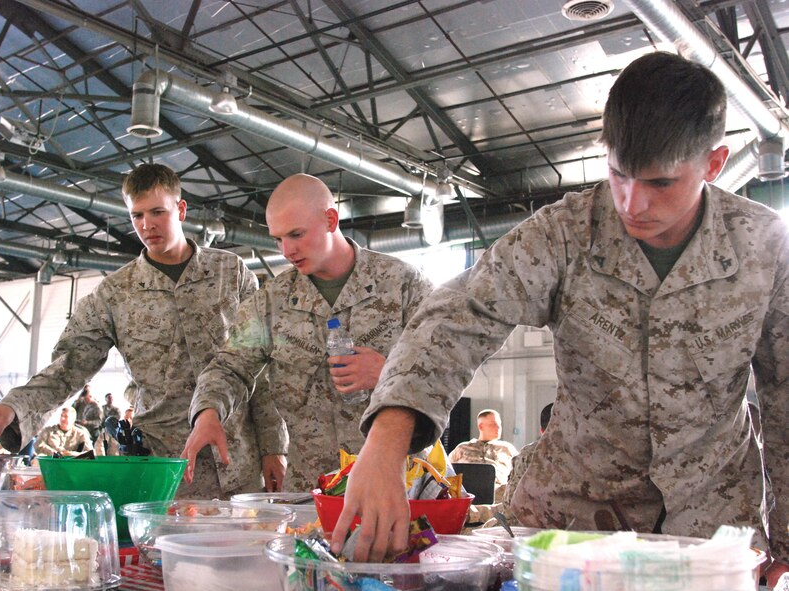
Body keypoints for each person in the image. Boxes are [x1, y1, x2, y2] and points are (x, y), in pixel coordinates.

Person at [331, 51, 789, 584]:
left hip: (711, 530)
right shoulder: (565, 233)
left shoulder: (764, 247)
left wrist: (787, 538)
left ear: (713, 164)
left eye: (660, 183)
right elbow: (462, 312)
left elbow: (786, 395)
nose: (631, 203)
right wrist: (387, 440)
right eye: (618, 173)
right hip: (573, 520)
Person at [0, 163, 287, 498]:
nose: (147, 225)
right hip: (167, 470)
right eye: (137, 216)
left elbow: (261, 366)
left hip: (240, 459)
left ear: (180, 210)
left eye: (157, 212)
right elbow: (68, 366)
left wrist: (274, 446)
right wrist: (14, 407)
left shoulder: (231, 273)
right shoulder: (115, 293)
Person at [181, 173, 433, 491]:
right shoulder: (271, 303)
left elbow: (446, 369)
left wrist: (388, 372)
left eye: (296, 234)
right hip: (310, 489)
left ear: (330, 219)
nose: (287, 250)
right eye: (277, 239)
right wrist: (208, 411)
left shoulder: (403, 285)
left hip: (396, 481)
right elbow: (228, 367)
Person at [448, 409, 518, 489]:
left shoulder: (507, 449)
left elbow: (521, 471)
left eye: (499, 424)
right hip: (469, 494)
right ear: (481, 426)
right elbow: (447, 471)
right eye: (493, 424)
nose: (498, 428)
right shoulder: (462, 448)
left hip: (498, 495)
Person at [502, 403, 553, 509]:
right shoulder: (588, 453)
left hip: (530, 523)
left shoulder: (529, 453)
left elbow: (510, 506)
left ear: (542, 430)